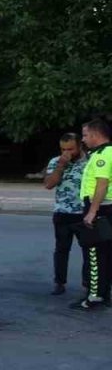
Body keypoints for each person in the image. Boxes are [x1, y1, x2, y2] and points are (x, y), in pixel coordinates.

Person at [43, 133, 90, 296]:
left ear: (80, 146)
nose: (67, 152)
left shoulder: (90, 162)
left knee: (88, 250)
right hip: (62, 212)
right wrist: (61, 165)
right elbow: (49, 184)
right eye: (63, 149)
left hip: (84, 213)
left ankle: (89, 284)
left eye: (70, 149)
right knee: (61, 250)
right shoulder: (56, 162)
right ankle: (59, 282)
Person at [73, 118, 112, 311]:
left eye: (86, 135)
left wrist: (92, 211)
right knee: (106, 253)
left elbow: (102, 183)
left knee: (95, 253)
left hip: (100, 207)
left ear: (96, 135)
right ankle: (103, 294)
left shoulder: (103, 154)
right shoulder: (103, 153)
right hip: (105, 207)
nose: (83, 139)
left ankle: (94, 296)